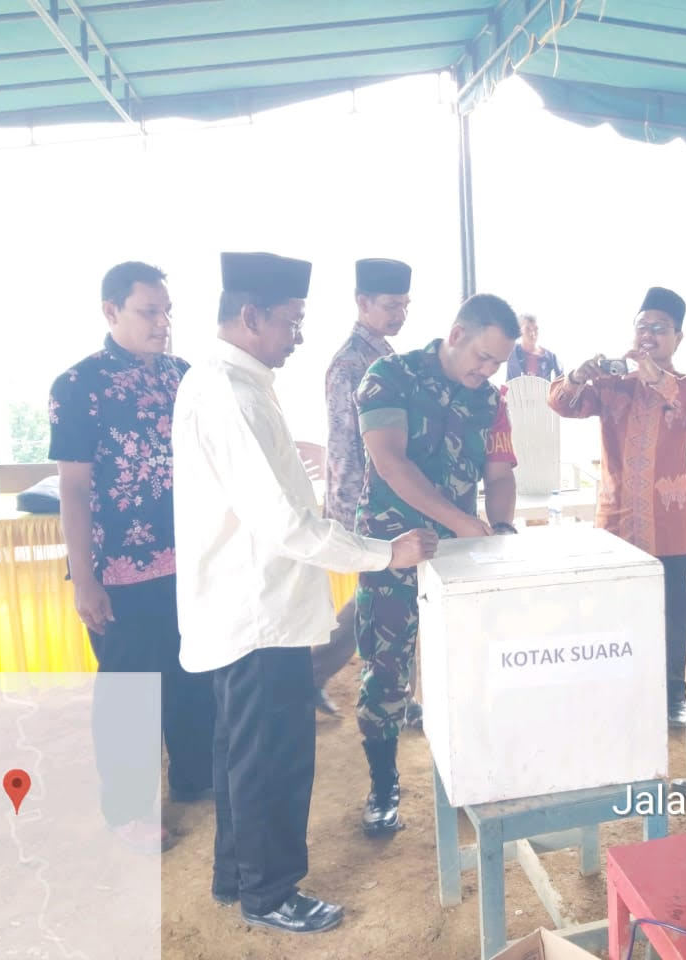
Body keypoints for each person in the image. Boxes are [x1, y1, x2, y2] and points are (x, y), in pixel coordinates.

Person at [171, 252, 437, 934]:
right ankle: (270, 893)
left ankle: (238, 877)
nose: (297, 335)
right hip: (258, 610)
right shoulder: (230, 393)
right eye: (290, 322)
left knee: (243, 754)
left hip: (254, 606)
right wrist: (385, 552)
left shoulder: (235, 381)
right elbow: (287, 524)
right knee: (273, 760)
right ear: (250, 315)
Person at [49, 261, 213, 854]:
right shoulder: (77, 386)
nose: (162, 322)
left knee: (193, 675)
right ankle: (128, 811)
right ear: (110, 311)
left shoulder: (184, 376)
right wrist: (84, 580)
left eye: (167, 311)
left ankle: (196, 777)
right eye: (149, 311)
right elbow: (73, 489)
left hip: (189, 563)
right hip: (117, 572)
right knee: (129, 692)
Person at [355, 294, 520, 834]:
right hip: (391, 546)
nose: (488, 370)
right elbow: (390, 462)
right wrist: (462, 522)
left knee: (469, 665)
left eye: (498, 362)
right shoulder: (390, 377)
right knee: (387, 667)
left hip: (461, 558)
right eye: (482, 356)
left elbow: (500, 474)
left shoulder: (490, 400)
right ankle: (383, 785)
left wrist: (501, 528)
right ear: (455, 335)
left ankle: (472, 775)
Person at [547, 286, 686, 727]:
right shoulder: (612, 386)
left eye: (660, 328)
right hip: (617, 525)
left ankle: (672, 696)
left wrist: (654, 375)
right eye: (642, 326)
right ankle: (620, 693)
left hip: (670, 528)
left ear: (678, 338)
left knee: (672, 615)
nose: (649, 334)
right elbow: (560, 403)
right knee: (615, 612)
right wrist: (578, 374)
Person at [315, 258, 414, 718]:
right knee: (382, 596)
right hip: (369, 503)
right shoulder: (348, 364)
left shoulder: (384, 355)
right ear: (362, 302)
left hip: (393, 497)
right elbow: (343, 447)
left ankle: (314, 674)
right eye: (391, 305)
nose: (400, 314)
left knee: (379, 596)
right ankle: (389, 695)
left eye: (405, 305)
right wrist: (355, 513)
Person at [505, 313, 563, 380]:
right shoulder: (510, 351)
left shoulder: (550, 356)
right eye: (527, 329)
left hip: (543, 387)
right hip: (512, 387)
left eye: (536, 329)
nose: (532, 334)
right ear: (519, 330)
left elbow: (561, 379)